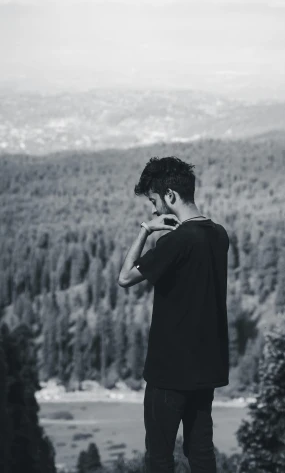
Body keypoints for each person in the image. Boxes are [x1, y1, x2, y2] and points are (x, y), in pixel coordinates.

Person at [118, 156, 230, 473]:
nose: (154, 211)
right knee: (202, 453)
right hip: (205, 368)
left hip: (168, 371)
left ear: (170, 196)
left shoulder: (174, 241)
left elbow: (125, 277)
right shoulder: (219, 235)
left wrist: (146, 231)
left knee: (159, 457)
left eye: (154, 201)